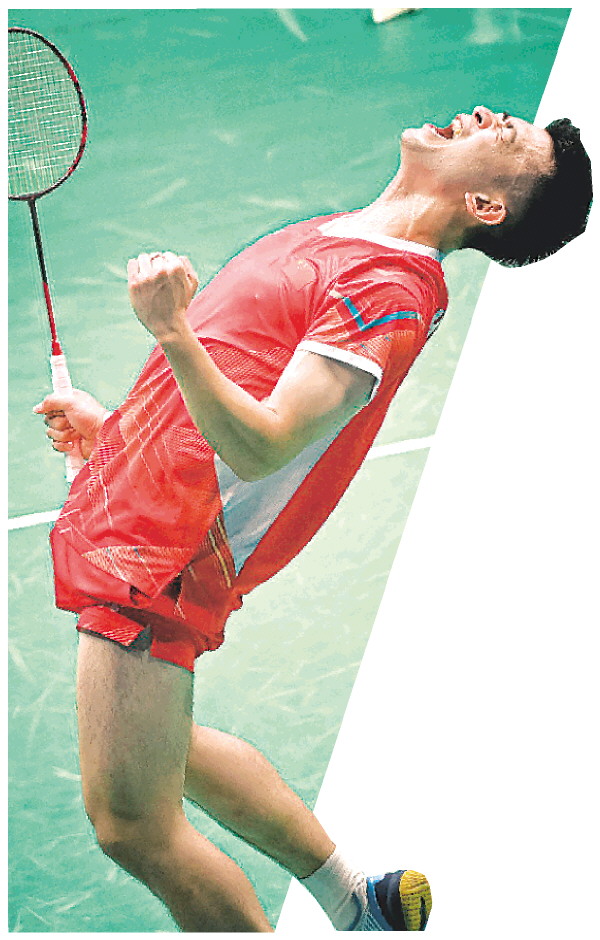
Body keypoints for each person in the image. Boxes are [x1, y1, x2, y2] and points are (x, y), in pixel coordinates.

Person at [34, 106, 592, 932]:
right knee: (160, 750)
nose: (483, 115)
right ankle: (357, 901)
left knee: (134, 826)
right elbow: (238, 374)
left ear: (486, 206)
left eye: (503, 135)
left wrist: (171, 330)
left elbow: (265, 442)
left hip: (166, 555)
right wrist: (121, 433)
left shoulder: (384, 292)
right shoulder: (350, 236)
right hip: (152, 517)